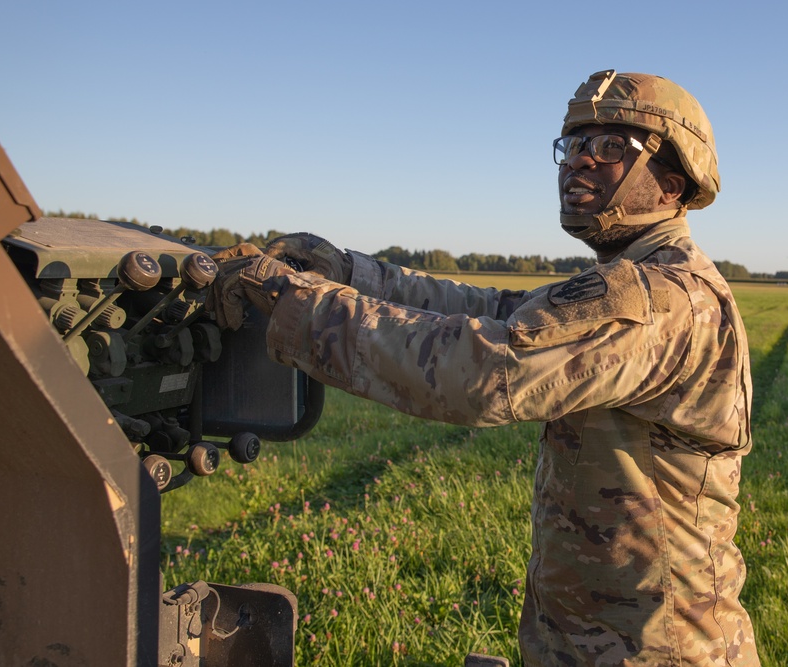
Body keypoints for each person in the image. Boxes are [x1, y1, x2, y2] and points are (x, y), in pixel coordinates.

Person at [207, 69, 759, 666]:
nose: (578, 163)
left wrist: (295, 303)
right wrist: (350, 274)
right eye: (572, 146)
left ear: (673, 183)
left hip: (653, 651)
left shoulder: (657, 297)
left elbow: (487, 371)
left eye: (609, 148)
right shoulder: (627, 280)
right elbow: (499, 312)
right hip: (605, 640)